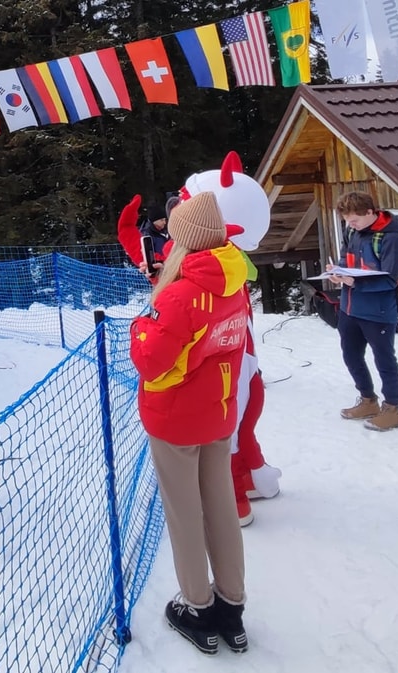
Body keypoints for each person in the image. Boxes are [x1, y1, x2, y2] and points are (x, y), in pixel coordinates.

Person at [129, 191, 250, 655]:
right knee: (220, 508)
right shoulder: (233, 281)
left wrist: (141, 325)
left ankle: (197, 607)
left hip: (177, 420)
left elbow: (152, 361)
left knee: (184, 516)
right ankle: (231, 608)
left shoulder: (182, 294)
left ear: (185, 241)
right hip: (218, 411)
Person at [328, 191, 398, 431]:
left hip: (379, 311)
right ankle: (368, 400)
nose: (350, 225)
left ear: (371, 213)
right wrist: (337, 271)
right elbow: (346, 258)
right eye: (347, 221)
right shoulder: (352, 231)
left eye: (354, 220)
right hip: (349, 308)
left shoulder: (392, 238)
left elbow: (390, 279)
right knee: (350, 355)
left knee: (384, 360)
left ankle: (393, 410)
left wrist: (355, 282)